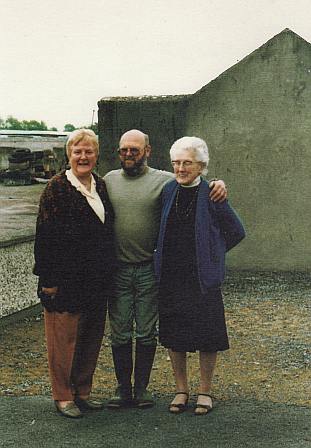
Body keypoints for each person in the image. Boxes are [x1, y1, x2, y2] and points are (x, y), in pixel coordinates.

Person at [104, 129, 227, 409]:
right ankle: (127, 389)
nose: (128, 154)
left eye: (134, 149)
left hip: (165, 271)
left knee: (154, 332)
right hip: (137, 271)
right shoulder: (112, 180)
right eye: (123, 149)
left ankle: (150, 389)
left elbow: (197, 182)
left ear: (147, 151)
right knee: (126, 331)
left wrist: (219, 184)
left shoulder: (168, 181)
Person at [154, 136, 245, 415]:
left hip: (201, 279)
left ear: (202, 165)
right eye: (176, 163)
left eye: (187, 163)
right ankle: (181, 389)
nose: (181, 168)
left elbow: (236, 231)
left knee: (208, 336)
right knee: (174, 336)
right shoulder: (168, 191)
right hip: (171, 276)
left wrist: (212, 253)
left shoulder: (212, 193)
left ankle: (205, 391)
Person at [33, 129, 115, 418]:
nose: (83, 156)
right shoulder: (57, 188)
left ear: (96, 154)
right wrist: (48, 281)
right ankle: (63, 396)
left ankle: (82, 391)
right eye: (77, 151)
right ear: (69, 155)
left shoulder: (101, 186)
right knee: (63, 341)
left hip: (95, 281)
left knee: (90, 338)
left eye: (89, 151)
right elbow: (44, 236)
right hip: (65, 281)